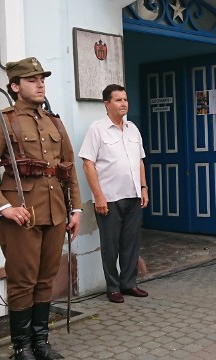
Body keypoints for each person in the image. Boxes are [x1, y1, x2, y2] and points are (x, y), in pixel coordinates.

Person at [0, 57, 82, 360]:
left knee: (46, 279)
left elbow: (67, 169)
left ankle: (40, 343)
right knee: (23, 280)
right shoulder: (3, 122)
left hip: (56, 211)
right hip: (21, 214)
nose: (40, 84)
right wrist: (3, 207)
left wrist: (76, 210)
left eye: (42, 79)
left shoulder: (54, 122)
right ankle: (22, 348)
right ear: (15, 86)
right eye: (32, 80)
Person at [79, 84, 149, 303]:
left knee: (131, 242)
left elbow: (139, 161)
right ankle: (113, 287)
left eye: (125, 99)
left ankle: (129, 283)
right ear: (107, 104)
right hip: (109, 198)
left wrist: (144, 188)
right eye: (118, 100)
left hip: (133, 195)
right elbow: (88, 164)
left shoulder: (133, 129)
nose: (124, 104)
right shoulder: (97, 129)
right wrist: (98, 196)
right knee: (110, 245)